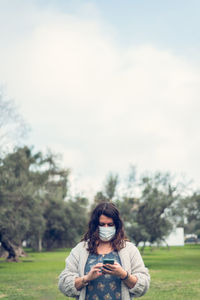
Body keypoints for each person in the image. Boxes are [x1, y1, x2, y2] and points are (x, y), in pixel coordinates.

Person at [58, 202, 150, 300]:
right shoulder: (81, 249)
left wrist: (123, 274)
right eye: (102, 224)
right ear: (95, 225)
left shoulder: (129, 249)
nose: (106, 228)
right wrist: (86, 278)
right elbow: (64, 284)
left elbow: (143, 285)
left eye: (110, 224)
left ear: (117, 225)